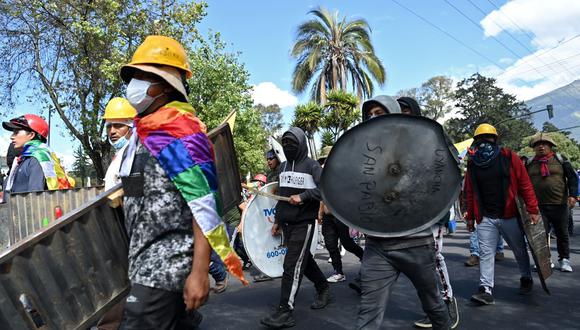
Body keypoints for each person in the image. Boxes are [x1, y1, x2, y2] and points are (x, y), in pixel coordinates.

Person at [118, 35, 247, 329]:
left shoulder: (182, 133)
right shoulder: (142, 135)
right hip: (142, 262)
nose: (134, 84)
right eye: (134, 75)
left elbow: (203, 205)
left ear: (163, 86)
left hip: (166, 268)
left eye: (143, 76)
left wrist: (200, 271)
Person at [355, 95, 451, 330]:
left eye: (379, 113)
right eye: (369, 115)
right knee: (368, 312)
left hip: (415, 242)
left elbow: (442, 181)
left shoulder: (422, 144)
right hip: (377, 245)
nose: (373, 118)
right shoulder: (364, 154)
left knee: (433, 304)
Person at [396, 97, 459, 330]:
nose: (403, 114)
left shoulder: (434, 134)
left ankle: (446, 302)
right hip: (411, 212)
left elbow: (453, 167)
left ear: (415, 111)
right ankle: (434, 307)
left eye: (406, 110)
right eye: (398, 111)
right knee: (419, 260)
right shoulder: (394, 141)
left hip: (436, 208)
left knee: (434, 255)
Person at [260, 127, 330, 329]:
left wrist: (304, 196)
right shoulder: (282, 168)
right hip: (288, 224)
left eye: (293, 142)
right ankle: (323, 286)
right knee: (303, 260)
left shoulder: (312, 166)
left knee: (291, 264)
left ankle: (285, 311)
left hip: (304, 223)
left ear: (301, 143)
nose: (289, 146)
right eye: (286, 143)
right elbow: (281, 200)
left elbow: (325, 189)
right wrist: (277, 222)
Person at [464, 123, 539, 306]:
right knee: (486, 253)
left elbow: (525, 183)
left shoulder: (509, 157)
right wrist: (471, 217)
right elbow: (470, 192)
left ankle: (526, 277)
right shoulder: (473, 164)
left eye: (488, 138)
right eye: (480, 139)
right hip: (486, 217)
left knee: (519, 249)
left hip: (510, 214)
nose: (484, 142)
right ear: (476, 141)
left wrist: (533, 209)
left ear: (495, 139)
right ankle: (485, 289)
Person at [524, 133, 577, 272]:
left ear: (550, 146)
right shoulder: (529, 163)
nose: (541, 146)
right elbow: (523, 183)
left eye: (544, 144)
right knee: (540, 235)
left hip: (560, 204)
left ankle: (564, 260)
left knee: (562, 233)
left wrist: (573, 196)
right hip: (538, 206)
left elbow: (572, 178)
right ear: (534, 148)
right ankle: (544, 261)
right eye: (537, 144)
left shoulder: (561, 160)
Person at [318, 145, 364, 283]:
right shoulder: (321, 176)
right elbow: (322, 196)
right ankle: (338, 272)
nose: (325, 163)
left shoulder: (342, 174)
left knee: (347, 243)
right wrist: (320, 213)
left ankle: (365, 257)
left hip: (340, 215)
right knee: (330, 244)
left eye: (327, 159)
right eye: (323, 160)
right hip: (327, 216)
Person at [2, 114, 73, 194]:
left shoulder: (37, 159)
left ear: (31, 135)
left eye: (16, 132)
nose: (11, 137)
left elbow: (35, 198)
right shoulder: (24, 159)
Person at [103, 97, 137, 190]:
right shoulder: (119, 155)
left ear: (131, 128)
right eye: (109, 126)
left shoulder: (135, 154)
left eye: (118, 125)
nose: (112, 131)